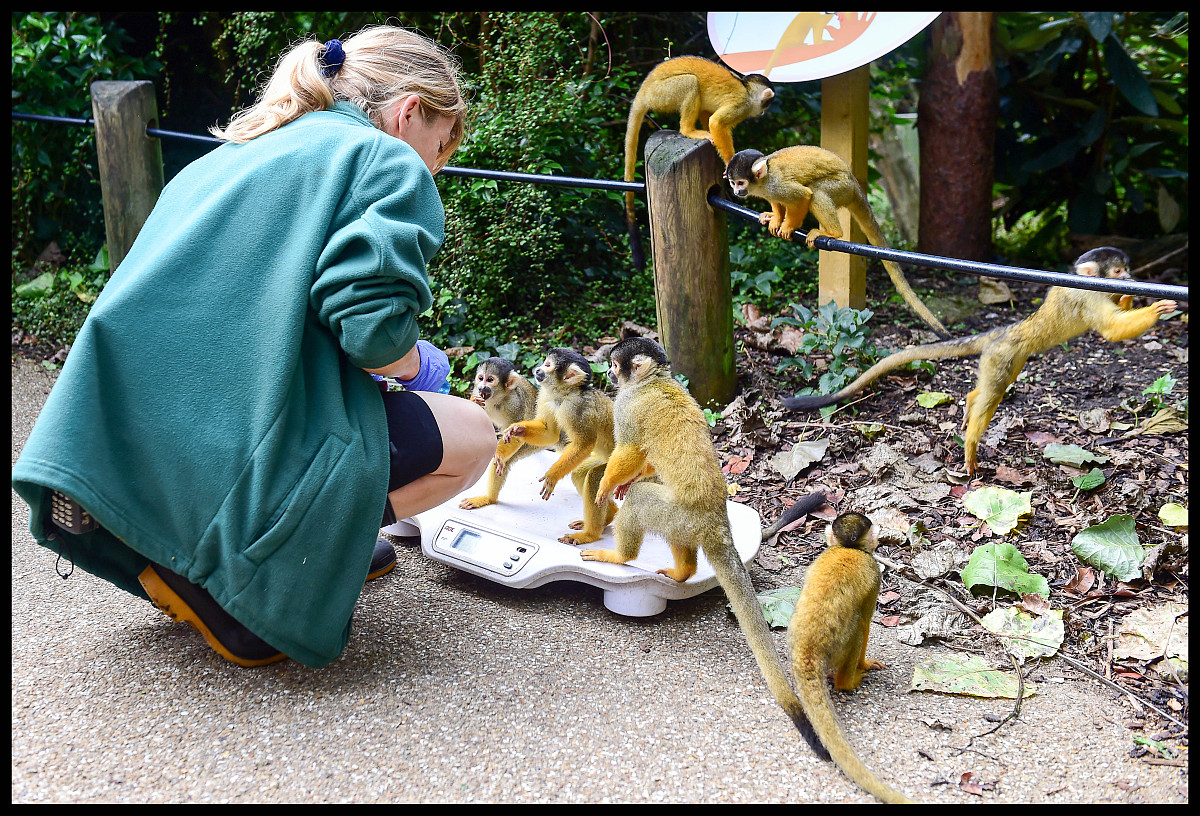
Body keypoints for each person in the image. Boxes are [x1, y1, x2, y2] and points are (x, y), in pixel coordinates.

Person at [11, 26, 496, 669]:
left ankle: (248, 546)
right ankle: (256, 574)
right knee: (473, 436)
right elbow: (371, 328)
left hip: (127, 439)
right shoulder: (385, 158)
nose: (433, 168)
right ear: (408, 112)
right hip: (245, 436)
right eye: (437, 149)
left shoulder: (237, 149)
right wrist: (411, 366)